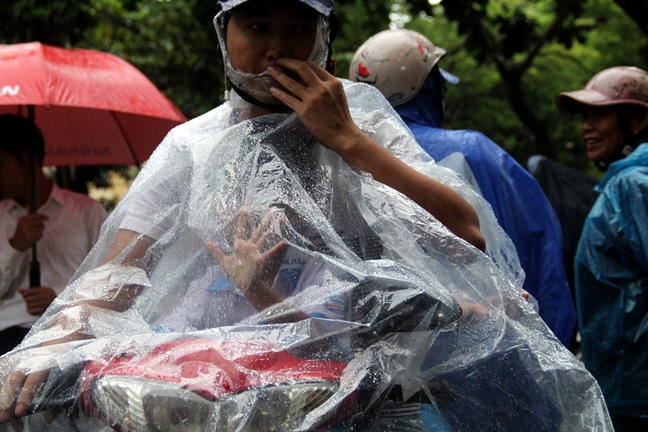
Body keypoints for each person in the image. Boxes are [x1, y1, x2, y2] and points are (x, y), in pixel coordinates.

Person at [0, 1, 611, 430]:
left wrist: (348, 140)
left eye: (299, 28)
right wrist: (50, 341)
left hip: (351, 396)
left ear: (324, 38)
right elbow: (111, 278)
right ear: (224, 33)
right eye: (256, 24)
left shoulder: (361, 128)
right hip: (200, 398)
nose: (276, 48)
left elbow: (467, 236)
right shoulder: (192, 148)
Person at [349, 29, 577, 348]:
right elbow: (539, 248)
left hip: (387, 363)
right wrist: (553, 349)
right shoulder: (474, 150)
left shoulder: (339, 155)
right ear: (429, 87)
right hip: (491, 351)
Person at [556, 66, 648, 431]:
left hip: (635, 395)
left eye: (599, 114)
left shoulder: (632, 184)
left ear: (638, 118)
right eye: (584, 117)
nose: (585, 127)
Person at [0, 114, 108, 356]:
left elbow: (108, 279)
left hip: (71, 332)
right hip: (8, 337)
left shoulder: (87, 213)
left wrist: (59, 298)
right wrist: (16, 246)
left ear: (27, 158)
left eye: (1, 164)